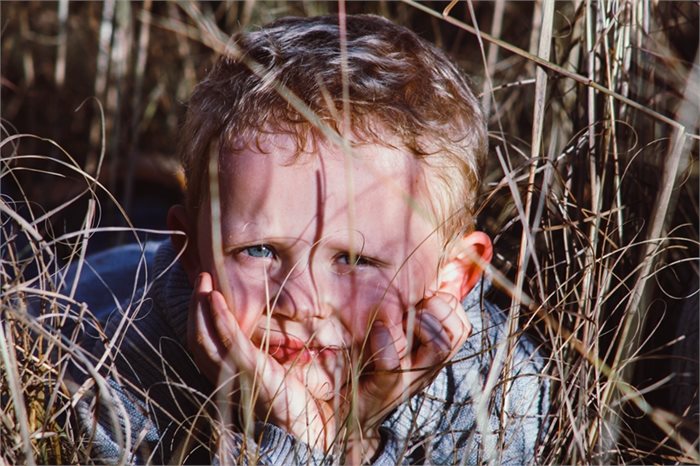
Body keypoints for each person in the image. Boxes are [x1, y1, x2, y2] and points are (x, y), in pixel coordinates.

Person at [70, 14, 549, 465]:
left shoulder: (502, 392)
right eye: (259, 250)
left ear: (455, 277)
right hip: (91, 280)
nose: (300, 302)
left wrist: (356, 439)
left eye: (355, 259)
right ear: (192, 251)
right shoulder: (105, 384)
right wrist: (298, 437)